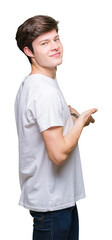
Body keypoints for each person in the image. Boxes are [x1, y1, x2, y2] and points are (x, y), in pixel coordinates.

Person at [15, 15, 97, 240]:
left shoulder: (36, 84)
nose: (55, 47)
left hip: (58, 201)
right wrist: (80, 121)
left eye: (56, 39)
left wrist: (72, 114)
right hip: (52, 205)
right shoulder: (44, 91)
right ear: (28, 51)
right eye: (44, 43)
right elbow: (58, 154)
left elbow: (62, 112)